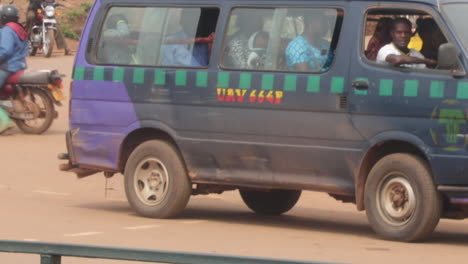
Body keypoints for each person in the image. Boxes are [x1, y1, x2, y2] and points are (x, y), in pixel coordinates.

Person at [0, 5, 29, 134]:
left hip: (8, 66)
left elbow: (5, 50)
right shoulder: (19, 28)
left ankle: (5, 122)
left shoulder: (7, 30)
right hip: (20, 64)